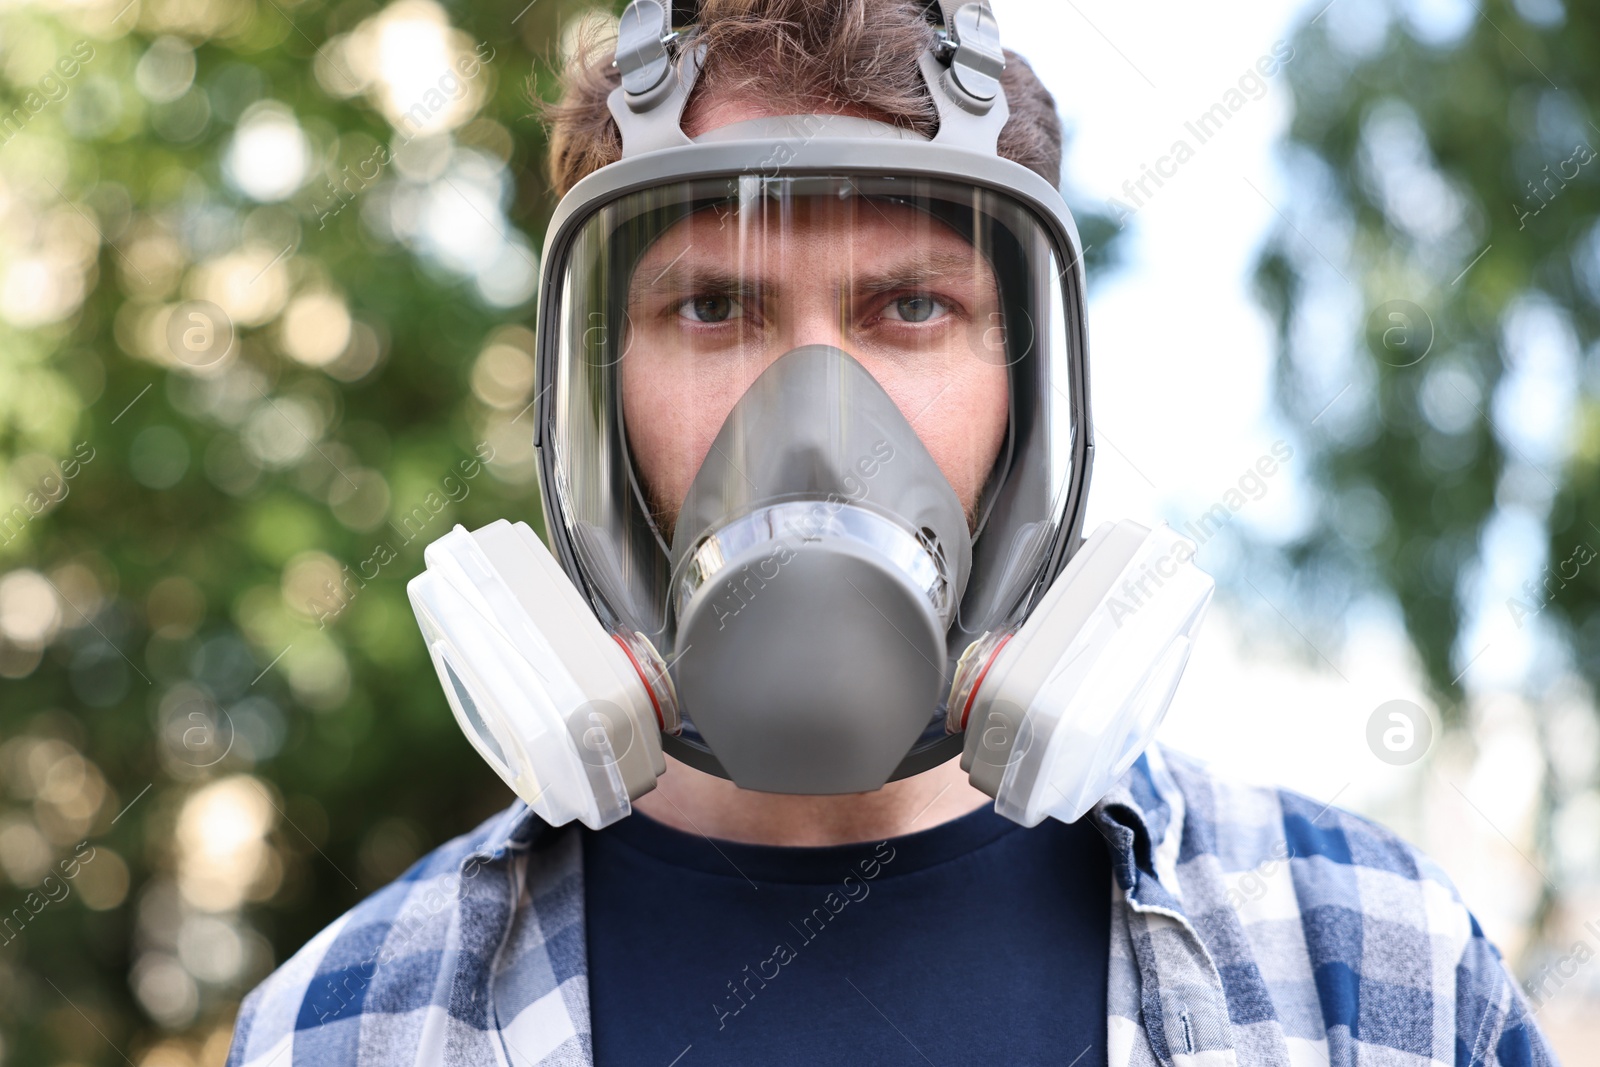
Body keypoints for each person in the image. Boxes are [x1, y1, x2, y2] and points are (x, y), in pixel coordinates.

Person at [226, 2, 1558, 1065]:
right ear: (593, 391)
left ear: (1029, 385)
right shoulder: (345, 1027)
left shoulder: (1375, 966)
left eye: (912, 306)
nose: (811, 420)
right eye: (711, 310)